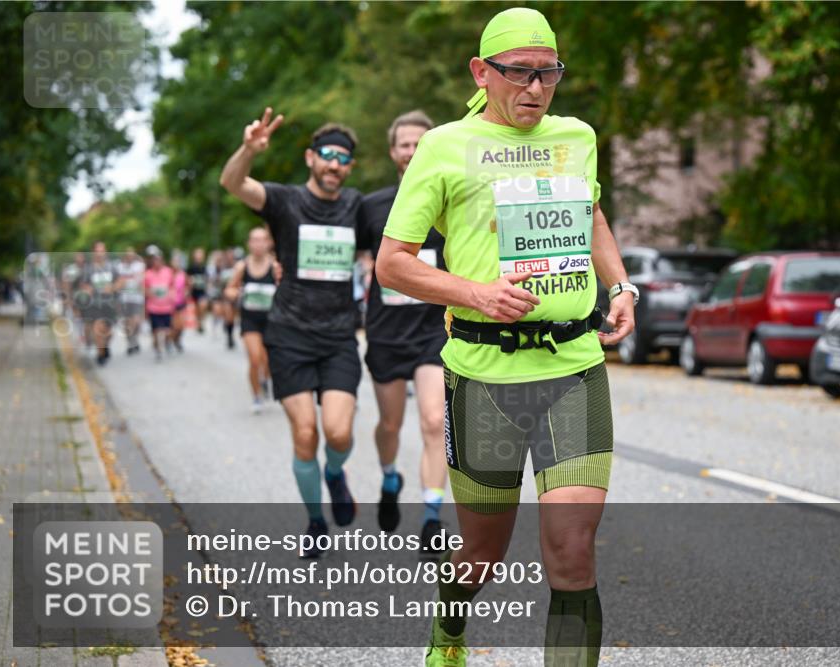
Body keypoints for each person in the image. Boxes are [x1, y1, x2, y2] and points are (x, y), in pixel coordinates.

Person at [375, 9, 637, 666]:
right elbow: (393, 262)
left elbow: (593, 210)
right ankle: (450, 630)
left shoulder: (576, 136)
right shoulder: (442, 145)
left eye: (547, 73)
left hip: (574, 366)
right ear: (480, 72)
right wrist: (475, 292)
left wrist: (621, 285)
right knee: (483, 552)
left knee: (572, 552)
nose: (535, 88)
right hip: (483, 373)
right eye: (518, 73)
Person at [219, 110, 369, 558]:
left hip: (340, 336)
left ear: (349, 167)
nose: (334, 165)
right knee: (306, 433)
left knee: (338, 434)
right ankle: (316, 521)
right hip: (290, 337)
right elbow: (233, 184)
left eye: (343, 159)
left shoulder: (357, 207)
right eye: (326, 155)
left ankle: (336, 473)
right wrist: (249, 149)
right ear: (310, 158)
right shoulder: (285, 201)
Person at [362, 110, 450, 550]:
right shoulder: (373, 206)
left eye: (420, 143)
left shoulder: (451, 198)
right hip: (386, 331)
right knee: (390, 424)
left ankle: (432, 517)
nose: (412, 151)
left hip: (435, 330)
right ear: (393, 152)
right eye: (404, 145)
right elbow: (354, 258)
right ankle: (389, 476)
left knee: (435, 420)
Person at [224, 226, 277, 414]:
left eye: (262, 240)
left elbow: (285, 289)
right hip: (250, 320)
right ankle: (256, 396)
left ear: (268, 243)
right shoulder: (242, 266)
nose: (258, 244)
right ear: (249, 244)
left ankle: (266, 379)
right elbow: (229, 289)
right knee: (255, 359)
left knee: (268, 360)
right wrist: (236, 293)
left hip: (272, 320)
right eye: (254, 240)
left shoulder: (275, 266)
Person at [84, 242, 119, 365]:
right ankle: (101, 355)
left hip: (109, 304)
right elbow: (85, 284)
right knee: (98, 330)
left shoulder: (112, 267)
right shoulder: (89, 268)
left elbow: (121, 281)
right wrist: (88, 290)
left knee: (108, 333)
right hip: (95, 304)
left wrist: (113, 287)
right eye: (97, 251)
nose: (100, 253)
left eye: (102, 250)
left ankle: (105, 346)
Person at [143, 245, 176, 361]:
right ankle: (158, 350)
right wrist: (149, 293)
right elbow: (144, 289)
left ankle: (167, 342)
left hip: (167, 307)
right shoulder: (147, 274)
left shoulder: (168, 272)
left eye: (158, 260)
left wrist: (171, 295)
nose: (156, 262)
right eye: (154, 260)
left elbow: (172, 286)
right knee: (156, 331)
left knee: (167, 331)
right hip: (153, 307)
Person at [115, 247, 146, 355]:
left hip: (137, 298)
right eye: (128, 255)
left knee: (136, 321)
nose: (130, 257)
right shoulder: (119, 267)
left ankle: (135, 339)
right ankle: (130, 343)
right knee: (127, 322)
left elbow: (143, 280)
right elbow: (117, 283)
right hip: (124, 299)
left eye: (132, 255)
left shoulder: (139, 266)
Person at [186, 248, 210, 333]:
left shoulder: (205, 267)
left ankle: (201, 321)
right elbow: (187, 278)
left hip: (202, 290)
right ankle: (199, 322)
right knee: (197, 308)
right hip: (194, 291)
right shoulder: (191, 267)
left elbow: (207, 279)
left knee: (203, 305)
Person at [169, 252, 189, 353]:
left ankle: (177, 340)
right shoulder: (168, 273)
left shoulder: (183, 274)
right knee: (173, 325)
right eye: (174, 261)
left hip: (181, 302)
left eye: (178, 261)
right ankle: (170, 340)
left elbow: (188, 286)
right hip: (169, 303)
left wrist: (187, 291)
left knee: (181, 325)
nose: (176, 263)